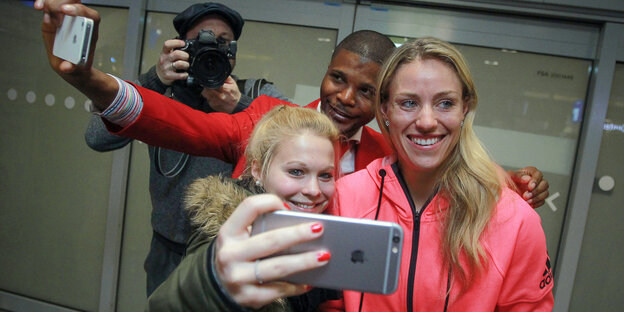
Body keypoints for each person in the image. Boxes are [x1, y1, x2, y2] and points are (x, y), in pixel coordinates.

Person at [35, 0, 550, 209]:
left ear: (385, 103)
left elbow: (443, 161)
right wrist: (91, 80)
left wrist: (516, 183)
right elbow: (174, 122)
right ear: (325, 73)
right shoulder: (268, 120)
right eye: (337, 78)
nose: (345, 98)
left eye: (366, 90)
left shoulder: (387, 154)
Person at [320, 37, 554, 311]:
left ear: (465, 108)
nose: (427, 122)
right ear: (384, 110)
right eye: (409, 103)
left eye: (445, 103)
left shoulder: (514, 220)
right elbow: (328, 304)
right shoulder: (345, 199)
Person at [83, 2, 287, 295]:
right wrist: (154, 81)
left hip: (233, 249)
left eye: (223, 42)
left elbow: (295, 140)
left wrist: (239, 107)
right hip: (166, 250)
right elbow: (95, 138)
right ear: (181, 47)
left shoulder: (257, 94)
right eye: (200, 40)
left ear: (234, 51)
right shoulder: (160, 95)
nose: (212, 48)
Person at [146, 105, 341, 311]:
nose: (314, 190)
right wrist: (216, 287)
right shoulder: (225, 232)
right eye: (296, 171)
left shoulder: (319, 236)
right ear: (257, 170)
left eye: (325, 175)